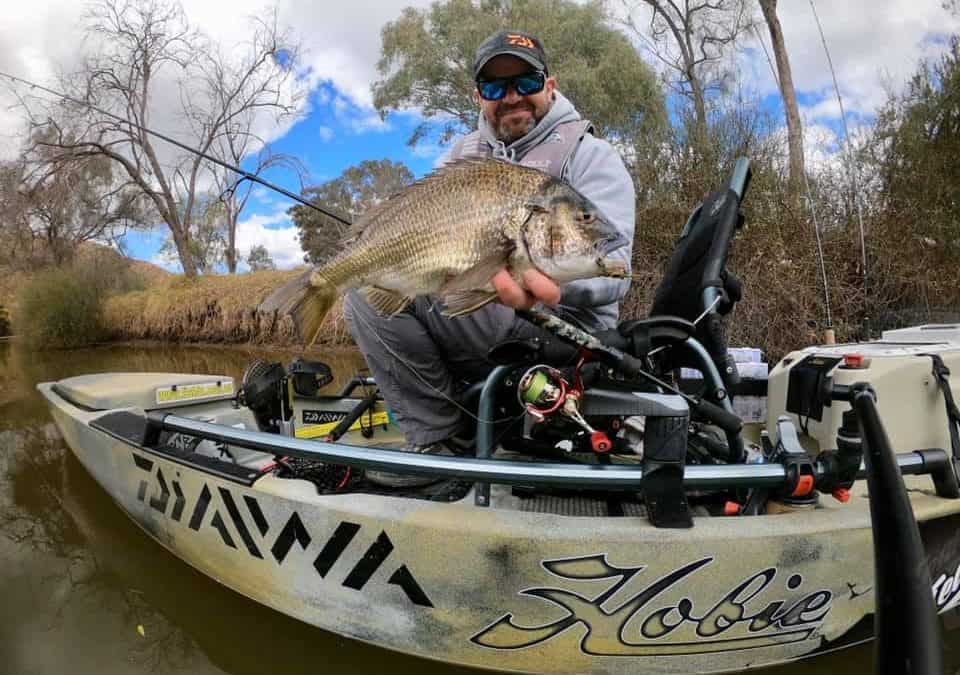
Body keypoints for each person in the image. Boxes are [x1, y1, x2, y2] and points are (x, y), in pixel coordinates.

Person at [343, 29, 636, 486]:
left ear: (550, 85)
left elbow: (616, 271)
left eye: (526, 81)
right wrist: (422, 263)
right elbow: (428, 235)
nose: (512, 96)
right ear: (479, 97)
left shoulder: (592, 157)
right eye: (496, 87)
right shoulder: (461, 157)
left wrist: (559, 286)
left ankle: (453, 437)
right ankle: (441, 437)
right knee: (364, 294)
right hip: (487, 309)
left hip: (569, 329)